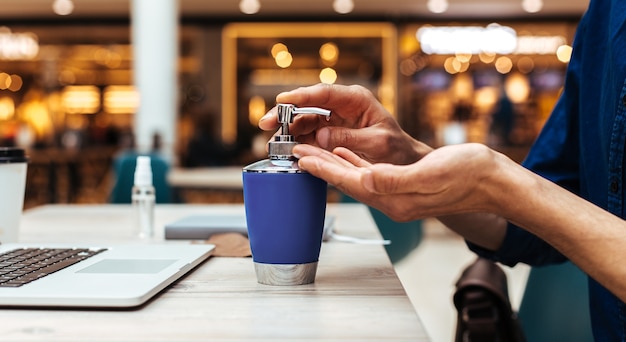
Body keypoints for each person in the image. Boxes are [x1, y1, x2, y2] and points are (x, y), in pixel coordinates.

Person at [258, 1, 626, 339]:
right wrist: (408, 158)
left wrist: (501, 182)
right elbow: (537, 226)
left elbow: (536, 203)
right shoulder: (605, 13)